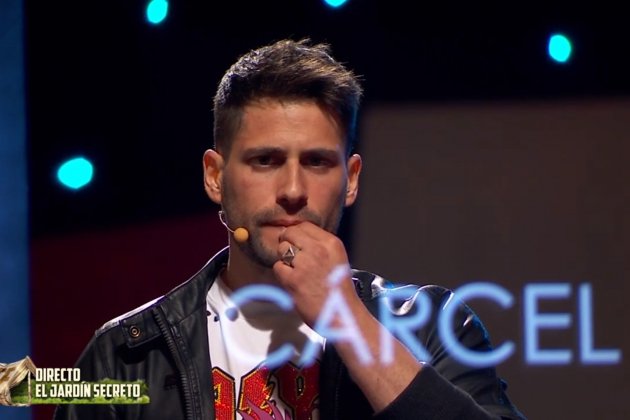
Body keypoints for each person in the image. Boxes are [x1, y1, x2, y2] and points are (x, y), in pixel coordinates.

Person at [55, 39, 524, 420]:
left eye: (317, 162)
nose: (293, 190)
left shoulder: (434, 326)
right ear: (215, 176)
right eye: (266, 160)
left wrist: (348, 322)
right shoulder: (126, 355)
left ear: (351, 180)